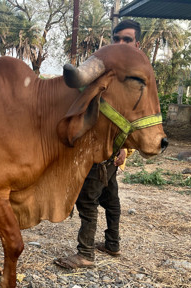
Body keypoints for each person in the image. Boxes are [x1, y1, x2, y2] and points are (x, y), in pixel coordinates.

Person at [54, 19, 141, 269]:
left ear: (137, 43)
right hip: (102, 151)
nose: (121, 44)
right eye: (117, 39)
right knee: (111, 199)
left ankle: (85, 254)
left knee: (88, 201)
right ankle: (112, 244)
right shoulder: (105, 71)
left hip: (103, 153)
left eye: (127, 39)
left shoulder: (135, 79)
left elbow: (136, 118)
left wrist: (126, 148)